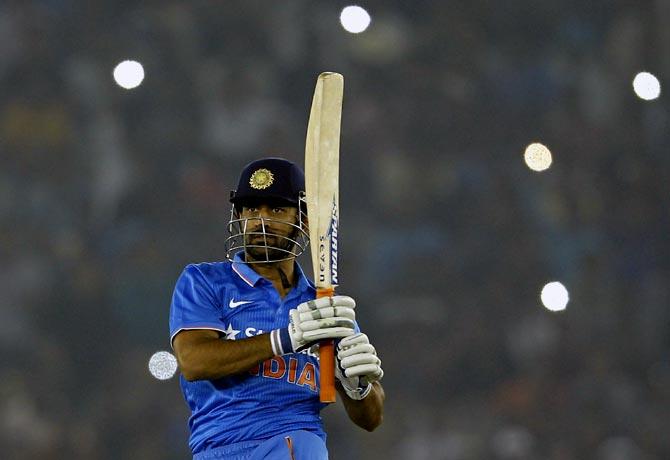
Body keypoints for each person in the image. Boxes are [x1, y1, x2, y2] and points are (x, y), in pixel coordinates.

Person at [169, 157, 385, 459]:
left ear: (304, 220)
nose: (261, 220)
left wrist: (357, 387)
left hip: (297, 443)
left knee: (304, 445)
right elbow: (193, 361)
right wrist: (286, 339)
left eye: (277, 209)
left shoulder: (322, 306)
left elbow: (371, 419)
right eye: (251, 208)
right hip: (220, 449)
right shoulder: (204, 281)